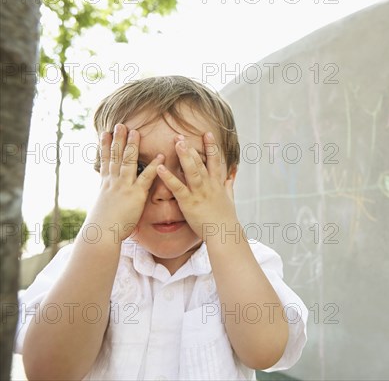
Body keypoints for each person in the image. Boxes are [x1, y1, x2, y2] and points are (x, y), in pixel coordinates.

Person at [15, 76, 308, 380]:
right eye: (138, 169)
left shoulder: (248, 261)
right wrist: (102, 233)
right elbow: (48, 371)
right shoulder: (82, 261)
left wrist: (222, 228)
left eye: (191, 165)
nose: (164, 189)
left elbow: (265, 350)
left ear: (227, 178)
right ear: (106, 178)